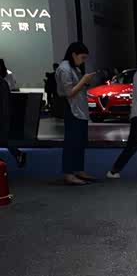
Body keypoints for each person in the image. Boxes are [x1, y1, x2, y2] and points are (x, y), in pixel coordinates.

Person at [56, 42, 96, 185]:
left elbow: (77, 88)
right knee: (71, 142)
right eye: (82, 57)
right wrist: (84, 80)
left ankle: (78, 170)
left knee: (80, 142)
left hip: (79, 108)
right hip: (71, 108)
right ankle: (69, 173)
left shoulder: (73, 68)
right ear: (73, 54)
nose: (83, 61)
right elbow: (69, 92)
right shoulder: (64, 69)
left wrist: (85, 82)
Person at [0, 76, 27, 167]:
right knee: (3, 140)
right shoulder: (3, 83)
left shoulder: (2, 83)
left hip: (3, 117)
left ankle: (17, 154)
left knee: (3, 140)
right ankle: (17, 154)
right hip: (4, 117)